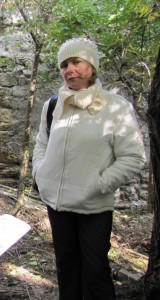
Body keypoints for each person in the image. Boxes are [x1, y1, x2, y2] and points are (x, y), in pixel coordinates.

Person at [32, 37, 145, 300]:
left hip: (93, 206)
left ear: (91, 67)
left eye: (75, 62)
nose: (69, 70)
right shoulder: (52, 105)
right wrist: (40, 172)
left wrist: (97, 185)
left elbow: (133, 157)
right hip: (57, 204)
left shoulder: (117, 108)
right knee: (66, 269)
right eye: (63, 64)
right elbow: (41, 143)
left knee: (95, 272)